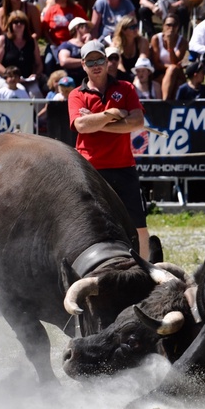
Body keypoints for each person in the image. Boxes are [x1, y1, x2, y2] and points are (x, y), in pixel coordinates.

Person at [68, 40, 149, 259]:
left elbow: (137, 122)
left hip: (123, 166)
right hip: (90, 169)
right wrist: (113, 113)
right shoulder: (76, 94)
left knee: (138, 226)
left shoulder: (126, 87)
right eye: (90, 61)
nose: (96, 65)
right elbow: (81, 126)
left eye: (99, 60)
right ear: (83, 65)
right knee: (89, 225)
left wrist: (98, 121)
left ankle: (146, 268)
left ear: (106, 61)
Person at [0, 10, 44, 98]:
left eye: (22, 22)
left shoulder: (31, 41)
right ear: (10, 25)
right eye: (16, 22)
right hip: (6, 79)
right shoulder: (3, 40)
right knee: (18, 91)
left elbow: (38, 63)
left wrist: (35, 74)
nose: (19, 24)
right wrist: (11, 76)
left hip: (28, 80)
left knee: (36, 93)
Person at [150, 13, 186, 100]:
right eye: (168, 25)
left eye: (174, 25)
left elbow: (175, 61)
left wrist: (170, 46)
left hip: (176, 72)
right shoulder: (156, 39)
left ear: (178, 27)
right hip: (160, 72)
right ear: (163, 26)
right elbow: (156, 64)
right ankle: (167, 102)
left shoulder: (182, 42)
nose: (171, 28)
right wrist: (171, 67)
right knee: (176, 81)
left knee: (173, 71)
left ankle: (165, 101)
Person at [111, 14, 149, 79]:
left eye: (136, 26)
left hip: (139, 74)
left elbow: (142, 61)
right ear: (123, 30)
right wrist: (128, 79)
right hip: (121, 75)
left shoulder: (142, 41)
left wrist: (136, 78)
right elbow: (119, 65)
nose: (136, 29)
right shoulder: (115, 44)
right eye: (132, 27)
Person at [58, 17, 90, 83]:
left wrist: (88, 43)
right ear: (77, 27)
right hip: (72, 81)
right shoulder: (66, 45)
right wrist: (85, 61)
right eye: (85, 26)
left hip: (88, 80)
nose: (88, 29)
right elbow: (64, 61)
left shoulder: (90, 43)